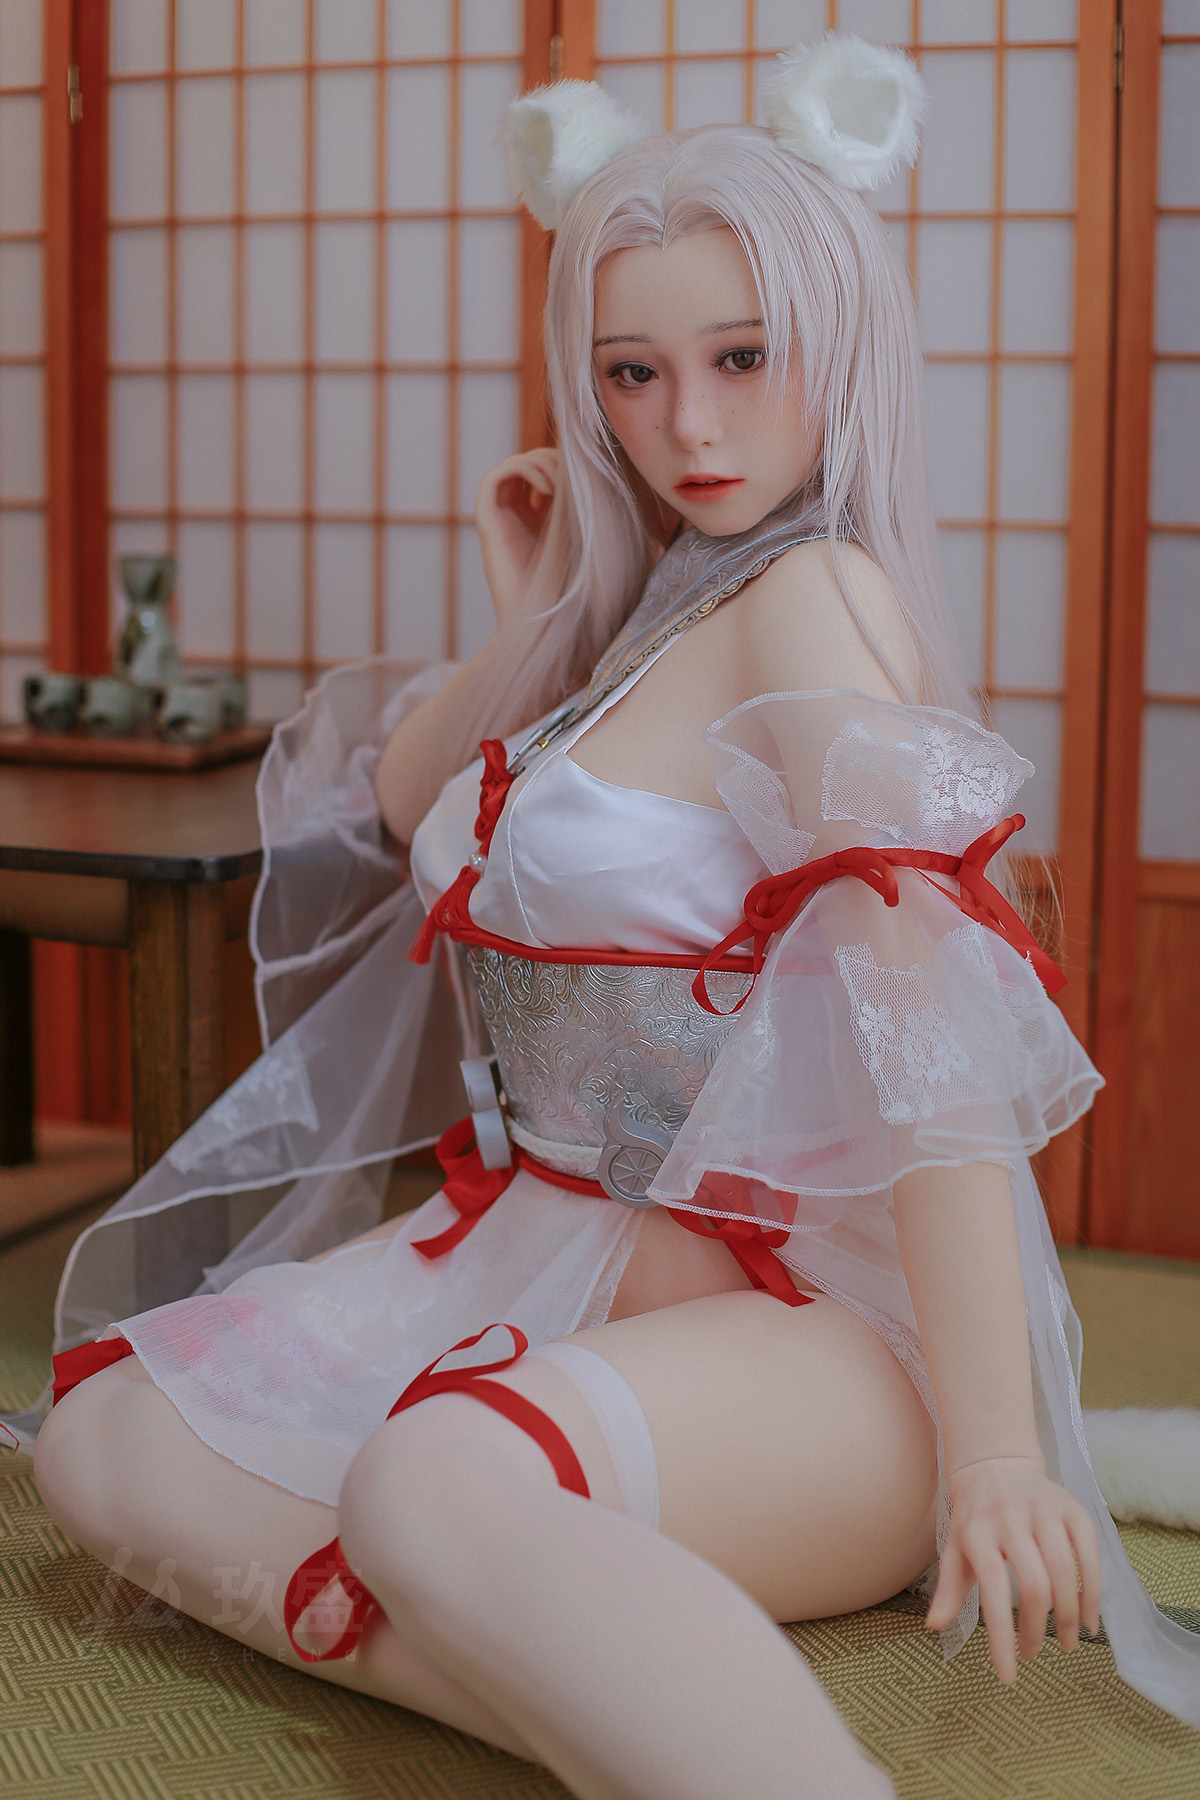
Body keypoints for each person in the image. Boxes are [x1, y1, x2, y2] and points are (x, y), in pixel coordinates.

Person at [13, 36, 1200, 1800]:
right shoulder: (650, 610)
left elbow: (928, 1025)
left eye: (742, 357)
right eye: (633, 373)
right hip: (548, 1263)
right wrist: (541, 601)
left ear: (839, 342)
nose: (688, 425)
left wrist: (1000, 1458)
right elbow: (405, 805)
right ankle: (572, 1672)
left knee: (422, 1484)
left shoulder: (812, 596)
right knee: (106, 1439)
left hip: (801, 1330)